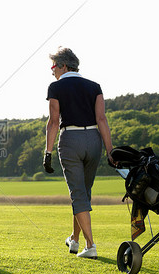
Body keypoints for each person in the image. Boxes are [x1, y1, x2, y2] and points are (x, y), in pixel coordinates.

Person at [44, 47, 114, 259]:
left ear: (64, 66)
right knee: (83, 191)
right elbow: (102, 120)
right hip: (94, 141)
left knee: (78, 193)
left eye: (54, 66)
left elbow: (54, 122)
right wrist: (110, 151)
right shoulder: (94, 86)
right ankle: (74, 239)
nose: (52, 70)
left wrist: (47, 152)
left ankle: (90, 245)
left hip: (71, 140)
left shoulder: (56, 87)